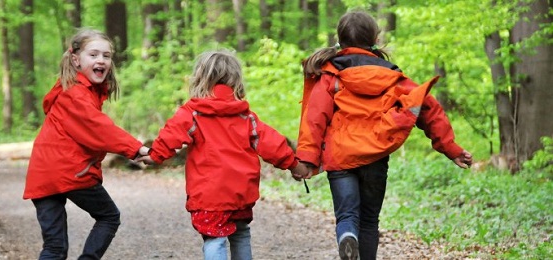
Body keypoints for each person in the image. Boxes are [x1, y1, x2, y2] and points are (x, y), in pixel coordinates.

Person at [296, 11, 473, 260]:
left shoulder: (330, 76)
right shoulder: (392, 77)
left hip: (340, 157)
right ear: (375, 38)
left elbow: (314, 119)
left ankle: (347, 236)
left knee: (347, 216)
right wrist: (450, 148)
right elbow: (427, 107)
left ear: (340, 39)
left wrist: (306, 158)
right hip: (375, 158)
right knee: (369, 220)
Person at [137, 50, 310, 260]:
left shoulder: (192, 113)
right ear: (236, 81)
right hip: (241, 193)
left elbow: (172, 135)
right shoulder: (246, 117)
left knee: (214, 238)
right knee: (241, 235)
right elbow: (271, 143)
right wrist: (293, 164)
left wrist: (156, 156)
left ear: (200, 79)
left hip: (209, 195)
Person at [23, 28, 149, 260]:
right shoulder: (75, 94)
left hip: (42, 175)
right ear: (76, 59)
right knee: (109, 216)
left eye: (106, 56)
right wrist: (136, 149)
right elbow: (99, 128)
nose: (101, 60)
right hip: (69, 171)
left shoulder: (70, 91)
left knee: (54, 247)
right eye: (93, 55)